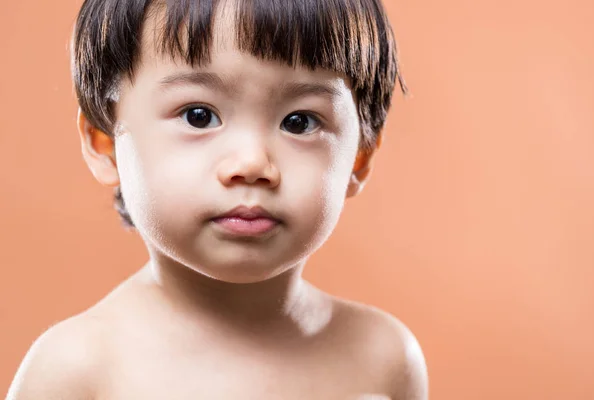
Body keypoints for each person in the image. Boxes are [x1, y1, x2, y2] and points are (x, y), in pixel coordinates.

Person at [7, 0, 428, 398]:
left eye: (299, 122)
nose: (251, 163)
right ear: (105, 144)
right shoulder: (78, 370)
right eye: (198, 115)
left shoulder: (383, 357)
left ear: (359, 157)